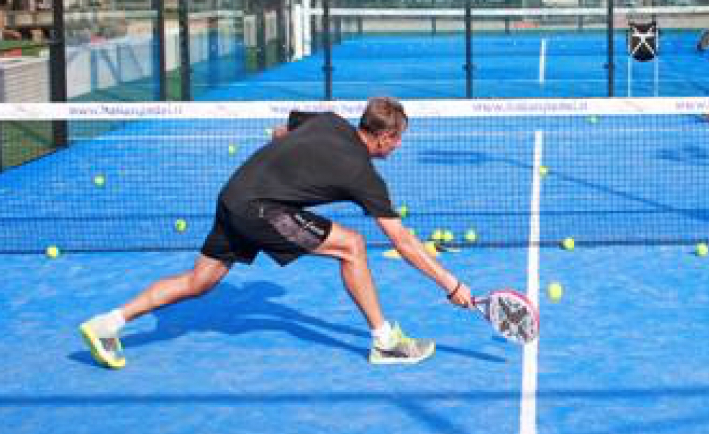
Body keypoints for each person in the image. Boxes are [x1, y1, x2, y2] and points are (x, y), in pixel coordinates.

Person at [78, 96, 473, 369]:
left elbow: (280, 132)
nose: (399, 146)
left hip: (234, 192)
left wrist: (286, 172)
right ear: (385, 137)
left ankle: (107, 324)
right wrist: (451, 285)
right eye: (398, 139)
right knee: (352, 246)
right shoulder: (363, 176)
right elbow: (402, 241)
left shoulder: (330, 121)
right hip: (259, 208)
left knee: (200, 281)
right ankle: (385, 342)